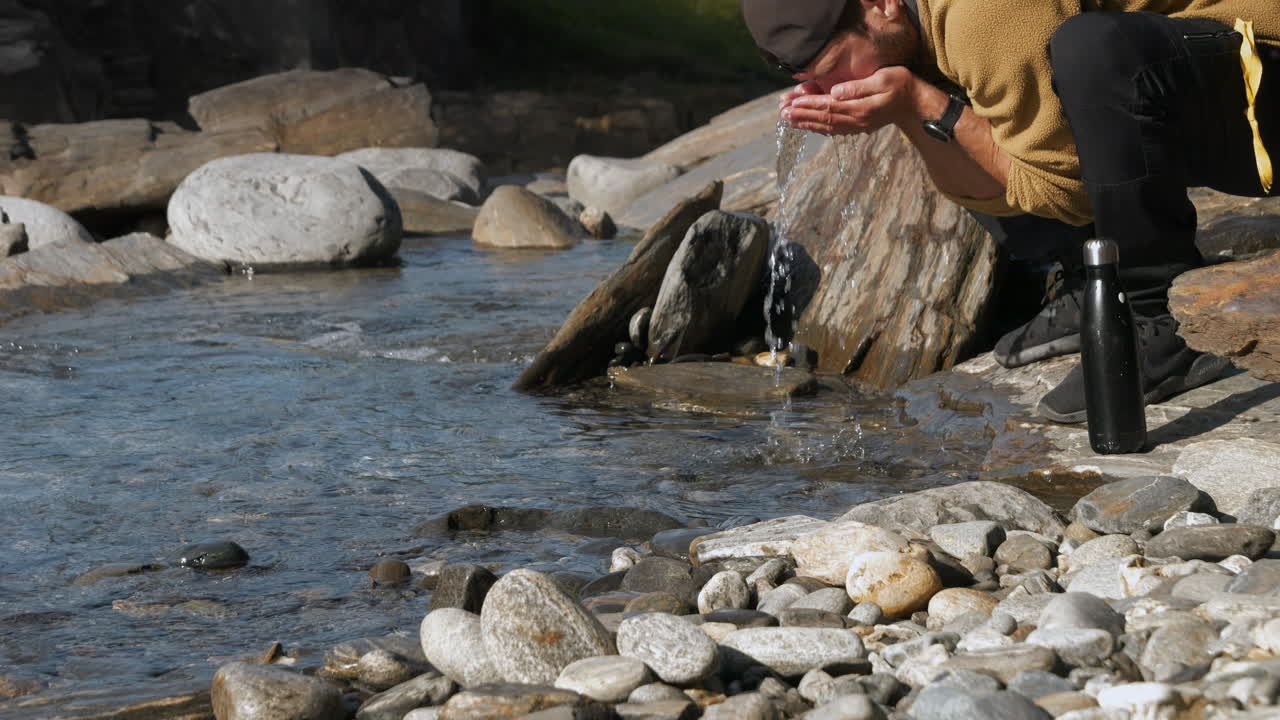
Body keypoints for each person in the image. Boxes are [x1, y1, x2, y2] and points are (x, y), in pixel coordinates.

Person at [740, 0, 1279, 423]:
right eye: (809, 83)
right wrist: (909, 109)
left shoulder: (984, 13)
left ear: (880, 4)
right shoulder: (909, 28)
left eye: (831, 69)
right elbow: (980, 182)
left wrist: (932, 106)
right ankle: (1087, 277)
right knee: (977, 107)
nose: (828, 91)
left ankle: (1160, 311)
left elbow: (1070, 194)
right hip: (1198, 92)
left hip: (1265, 81)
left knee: (1092, 49)